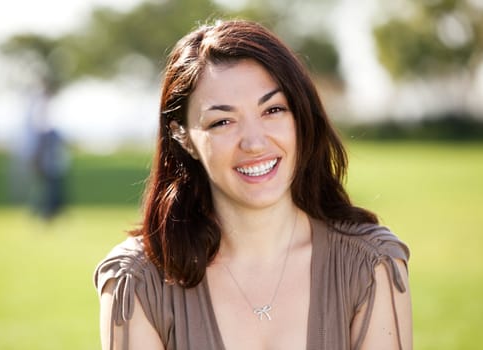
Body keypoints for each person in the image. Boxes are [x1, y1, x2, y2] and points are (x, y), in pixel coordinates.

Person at [94, 19, 412, 349]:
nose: (255, 143)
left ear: (300, 117)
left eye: (273, 109)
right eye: (222, 121)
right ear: (183, 138)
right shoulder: (138, 282)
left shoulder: (370, 265)